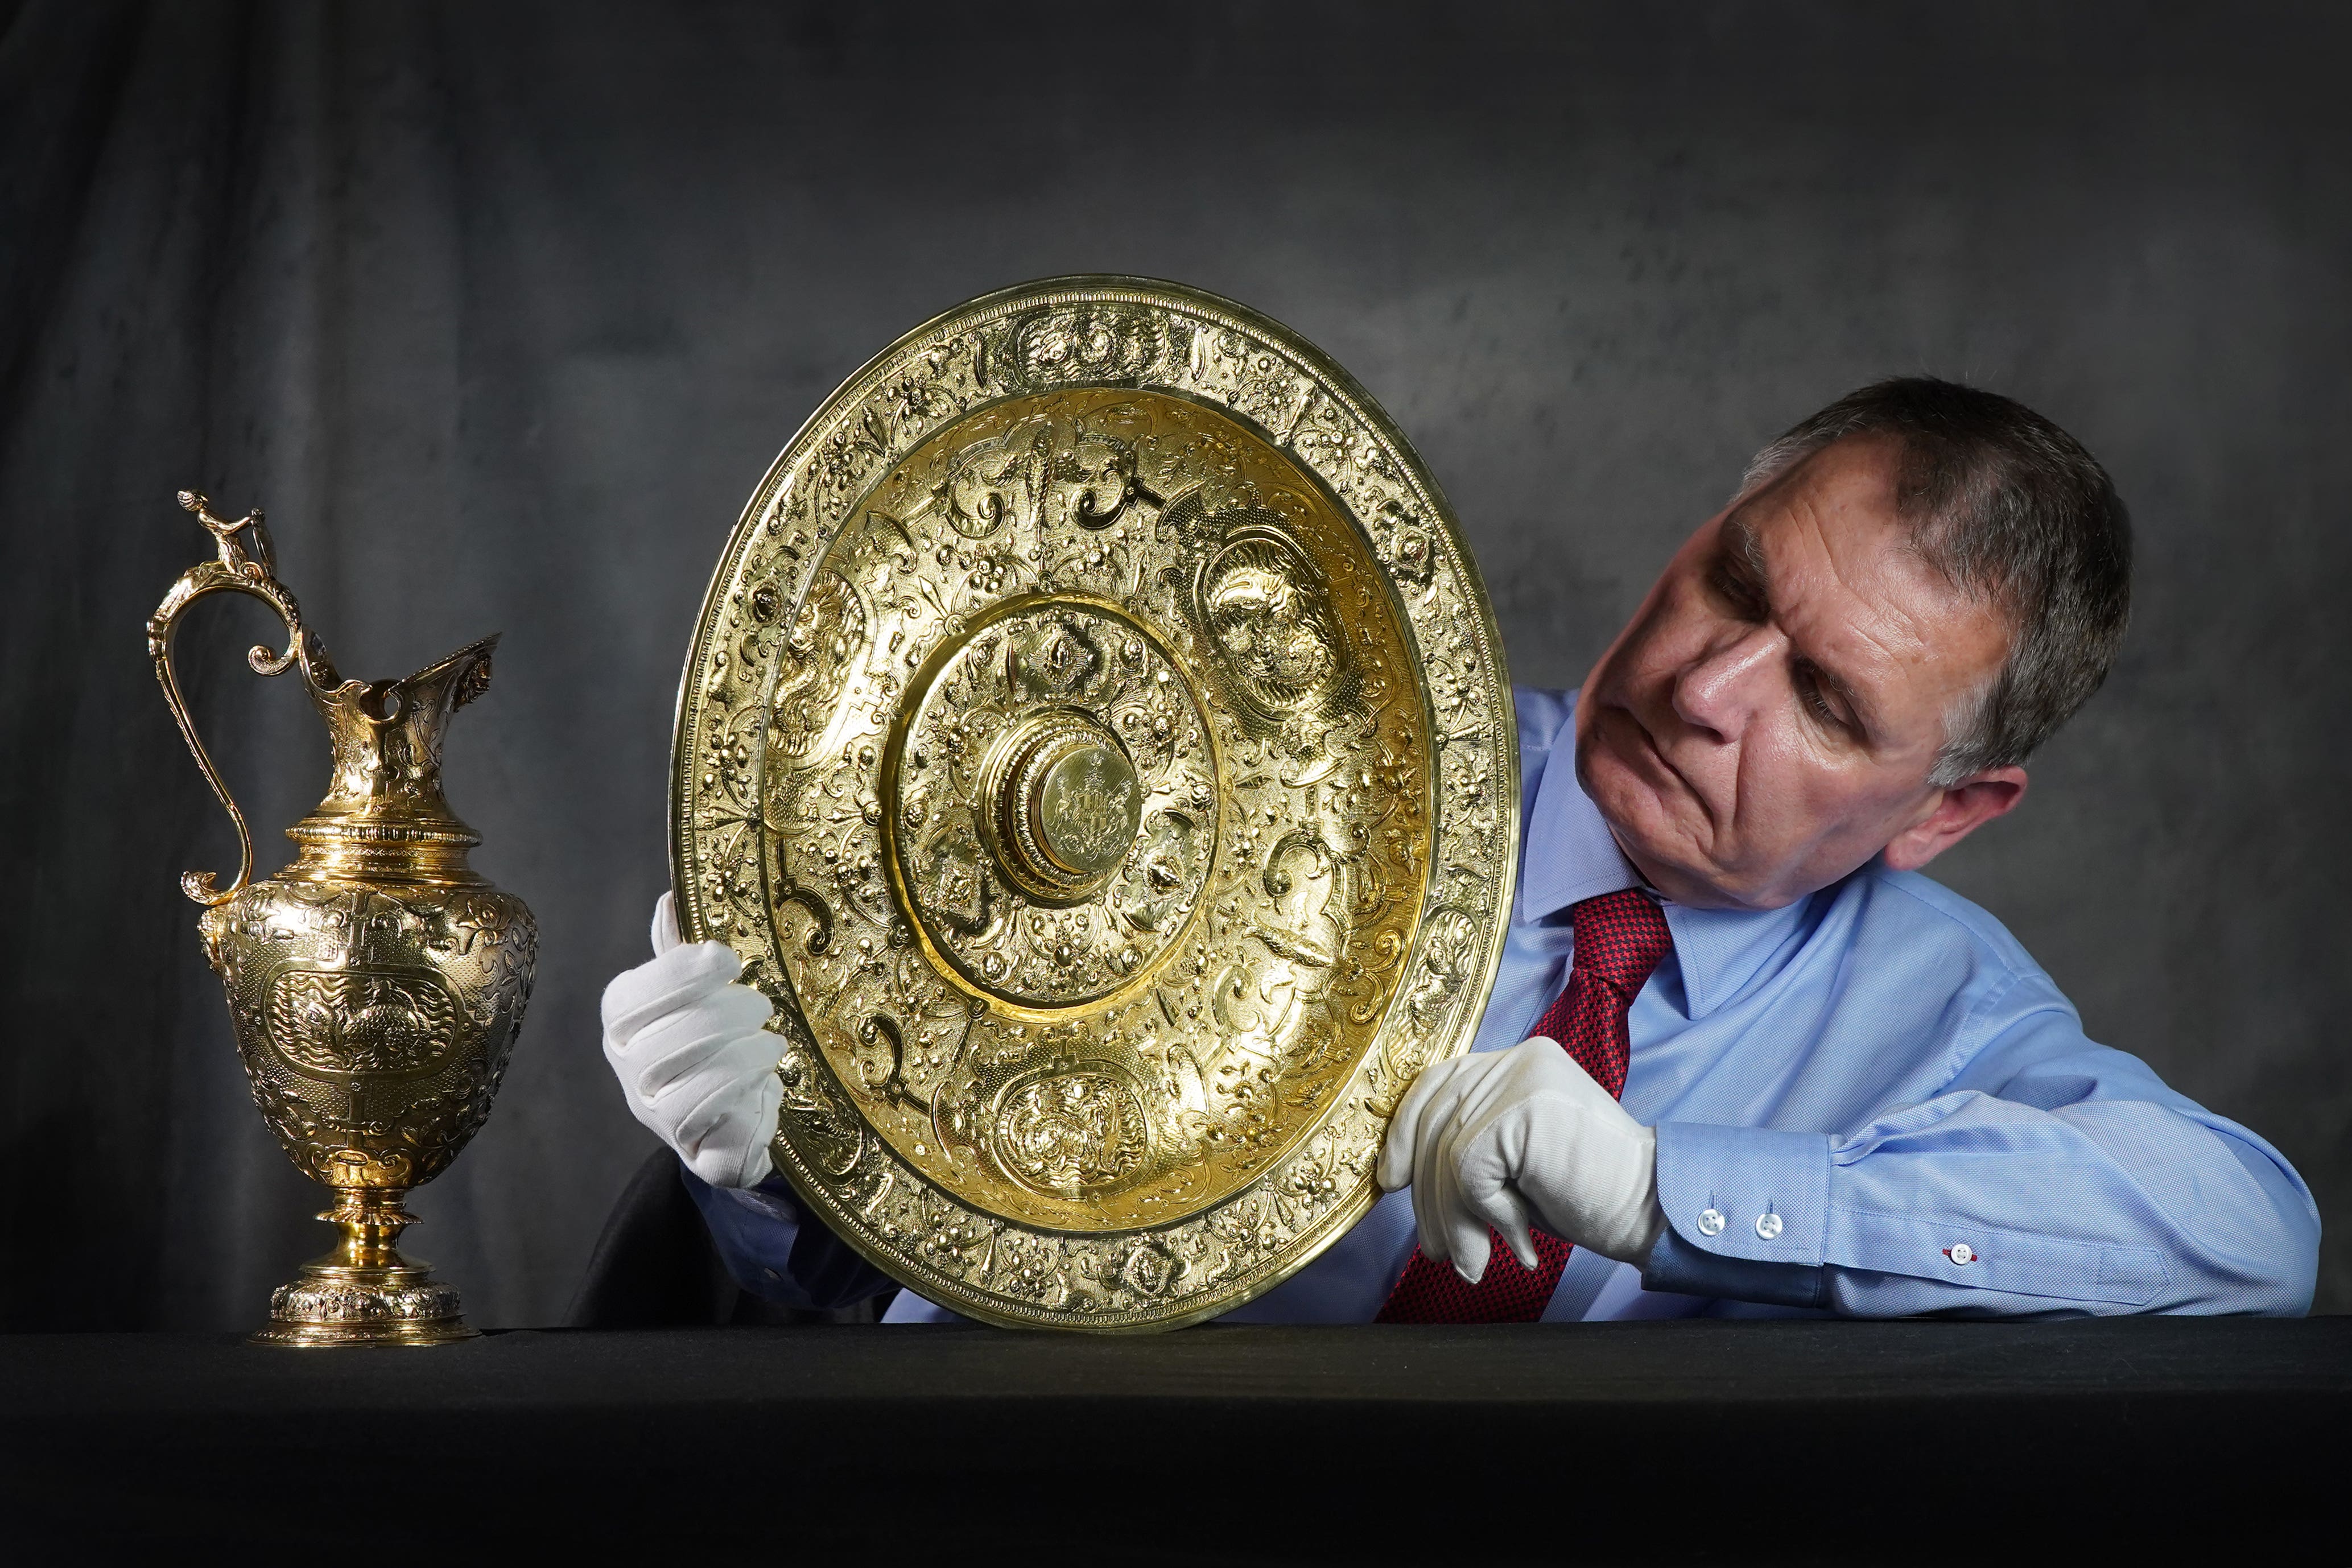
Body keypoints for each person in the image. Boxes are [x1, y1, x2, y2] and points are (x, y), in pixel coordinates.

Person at [600, 378, 2318, 1323]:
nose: (1708, 684)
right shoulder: (1282, 743)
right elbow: (854, 1294)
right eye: (1736, 580)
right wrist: (773, 1170)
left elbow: (2251, 1235)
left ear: (1946, 810)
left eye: (1824, 698)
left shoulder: (1940, 1009)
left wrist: (1672, 1194)